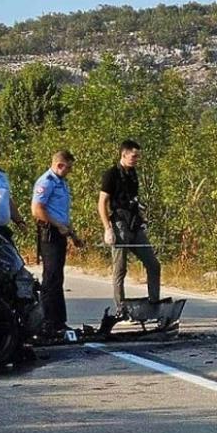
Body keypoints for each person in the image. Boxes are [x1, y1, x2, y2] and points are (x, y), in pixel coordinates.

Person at [97, 140, 161, 313]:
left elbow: (133, 199)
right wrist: (107, 228)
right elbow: (102, 202)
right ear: (123, 154)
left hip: (134, 224)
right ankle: (121, 308)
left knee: (153, 264)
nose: (136, 159)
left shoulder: (133, 173)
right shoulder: (111, 174)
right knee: (120, 269)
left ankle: (154, 303)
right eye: (134, 156)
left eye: (137, 156)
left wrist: (141, 215)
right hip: (119, 225)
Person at [31, 150, 84, 334]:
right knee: (50, 278)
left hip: (60, 232)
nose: (70, 171)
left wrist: (73, 235)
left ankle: (59, 321)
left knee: (58, 278)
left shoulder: (61, 183)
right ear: (59, 165)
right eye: (68, 167)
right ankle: (47, 321)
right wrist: (56, 225)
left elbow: (63, 214)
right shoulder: (46, 182)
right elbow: (37, 209)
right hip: (50, 233)